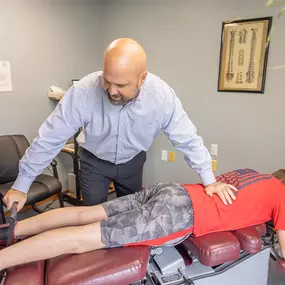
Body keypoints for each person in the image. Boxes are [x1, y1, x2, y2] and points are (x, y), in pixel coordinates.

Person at [3, 38, 237, 209]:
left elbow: (187, 139)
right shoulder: (84, 91)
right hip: (93, 162)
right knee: (92, 215)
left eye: (122, 85)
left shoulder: (162, 96)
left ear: (142, 78)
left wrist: (209, 180)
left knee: (132, 211)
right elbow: (50, 138)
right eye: (107, 80)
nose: (111, 91)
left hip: (132, 162)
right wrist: (21, 185)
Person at [0, 168, 284, 276]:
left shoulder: (252, 173)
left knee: (87, 213)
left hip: (173, 189)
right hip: (178, 213)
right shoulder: (282, 195)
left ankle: (13, 229)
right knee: (82, 238)